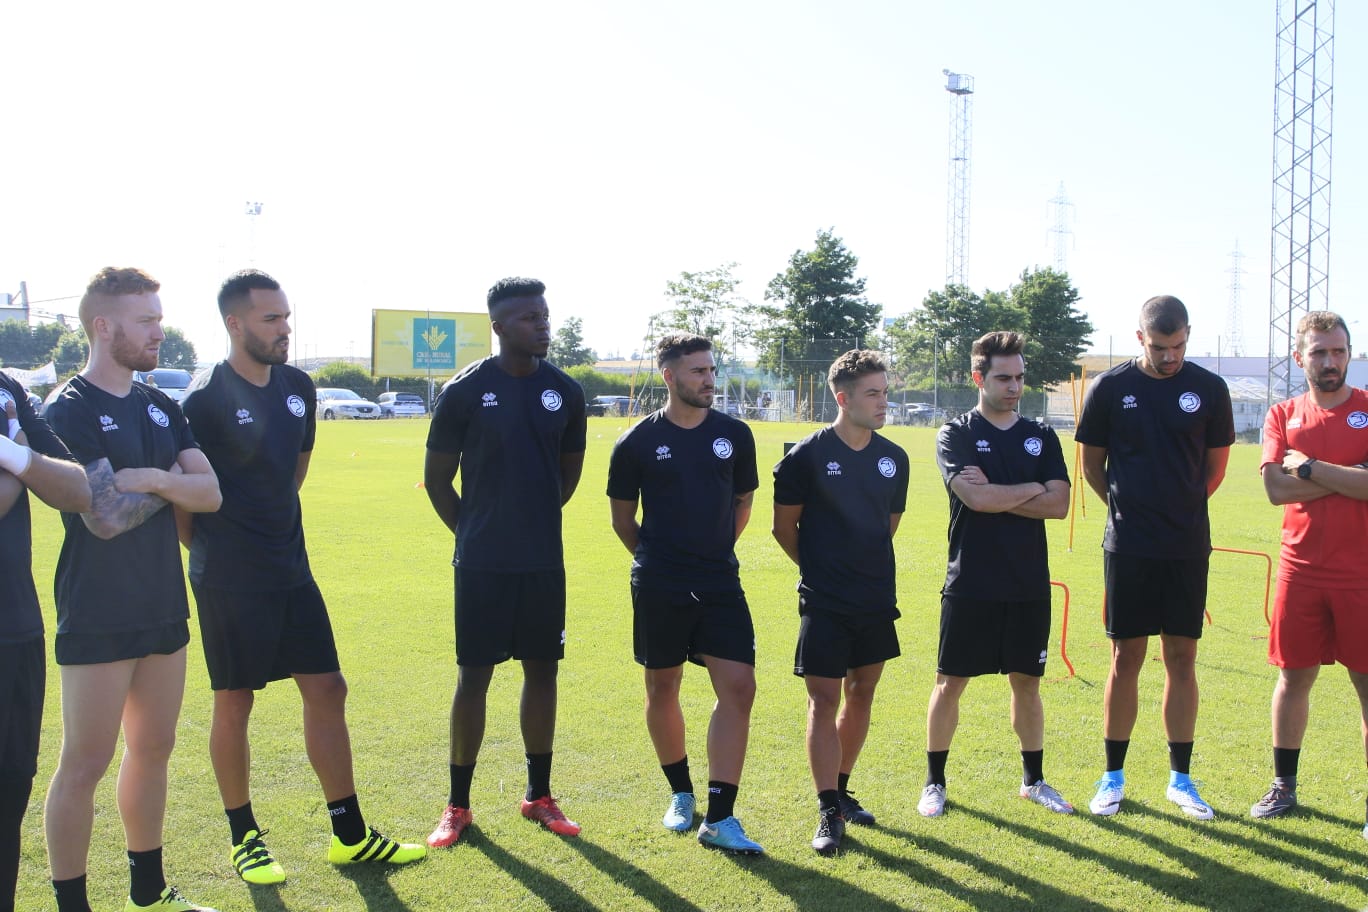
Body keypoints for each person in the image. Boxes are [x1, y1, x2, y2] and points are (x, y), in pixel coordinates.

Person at [178, 270, 425, 884]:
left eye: (286, 317)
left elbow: (292, 473)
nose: (284, 329)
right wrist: (225, 552)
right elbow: (185, 507)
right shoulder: (203, 398)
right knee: (235, 700)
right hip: (229, 579)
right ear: (234, 324)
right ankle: (245, 838)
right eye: (270, 319)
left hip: (292, 570)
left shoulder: (298, 386)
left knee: (328, 688)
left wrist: (271, 536)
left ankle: (349, 834)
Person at [42, 267, 223, 912]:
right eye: (146, 319)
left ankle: (150, 891)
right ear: (104, 326)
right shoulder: (66, 408)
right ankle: (74, 905)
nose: (158, 330)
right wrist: (169, 478)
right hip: (97, 611)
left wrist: (147, 475)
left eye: (158, 317)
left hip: (162, 607)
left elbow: (211, 492)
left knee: (153, 749)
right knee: (84, 765)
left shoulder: (159, 403)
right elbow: (105, 516)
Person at [424, 277, 587, 846]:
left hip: (543, 560)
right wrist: (475, 532)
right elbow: (437, 480)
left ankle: (538, 795)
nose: (541, 325)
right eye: (527, 318)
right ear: (497, 327)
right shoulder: (465, 390)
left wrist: (530, 523)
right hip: (483, 564)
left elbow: (567, 476)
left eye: (544, 315)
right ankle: (457, 805)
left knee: (543, 670)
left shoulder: (565, 391)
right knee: (475, 676)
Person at [1075, 295, 1234, 820]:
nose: (1172, 357)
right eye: (1162, 347)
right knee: (1126, 660)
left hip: (1186, 546)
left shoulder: (1209, 389)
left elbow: (1214, 469)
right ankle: (1112, 777)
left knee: (1182, 660)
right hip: (1128, 546)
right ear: (1140, 337)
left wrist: (1180, 509)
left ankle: (1181, 779)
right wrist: (1128, 510)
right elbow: (1092, 465)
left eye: (1180, 345)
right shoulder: (1111, 387)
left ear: (1189, 334)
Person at [607, 333, 764, 855]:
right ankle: (680, 792)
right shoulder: (635, 442)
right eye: (697, 371)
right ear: (669, 376)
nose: (709, 380)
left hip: (719, 580)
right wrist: (660, 560)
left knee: (739, 687)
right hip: (660, 582)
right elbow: (623, 520)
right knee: (663, 687)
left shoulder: (735, 435)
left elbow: (742, 503)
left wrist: (712, 551)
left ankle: (720, 816)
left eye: (711, 370)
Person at [918, 332, 1073, 819]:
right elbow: (976, 500)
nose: (1014, 387)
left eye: (1020, 377)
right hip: (971, 581)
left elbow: (1060, 503)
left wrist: (1008, 491)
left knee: (1027, 683)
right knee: (950, 682)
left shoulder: (1041, 435)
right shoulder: (956, 434)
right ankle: (934, 783)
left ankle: (1033, 780)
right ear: (978, 378)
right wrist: (1032, 489)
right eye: (1003, 378)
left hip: (1028, 583)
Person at [772, 350, 908, 855]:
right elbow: (783, 527)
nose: (883, 402)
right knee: (823, 701)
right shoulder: (805, 456)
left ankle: (843, 789)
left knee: (863, 692)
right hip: (825, 600)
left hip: (875, 597)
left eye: (885, 391)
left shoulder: (895, 458)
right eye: (873, 393)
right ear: (842, 397)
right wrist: (819, 570)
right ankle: (828, 810)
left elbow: (886, 528)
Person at [1249, 311, 1368, 832]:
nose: (1330, 361)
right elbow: (1276, 490)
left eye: (1338, 351)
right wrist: (1351, 477)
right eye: (1318, 352)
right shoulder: (1282, 414)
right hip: (1299, 571)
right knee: (1293, 678)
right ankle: (1284, 786)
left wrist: (1311, 468)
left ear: (1350, 354)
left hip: (1362, 574)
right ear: (1300, 358)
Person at [0, 376, 91, 912]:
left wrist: (13, 447)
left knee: (9, 799)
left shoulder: (5, 386)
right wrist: (17, 453)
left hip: (15, 630)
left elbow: (80, 489)